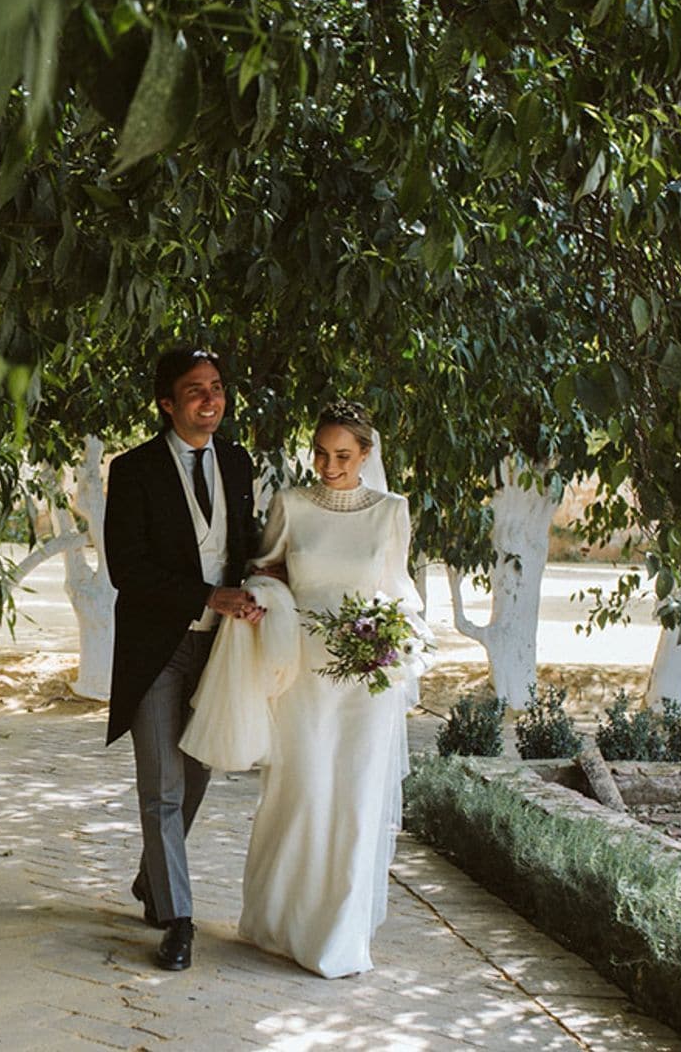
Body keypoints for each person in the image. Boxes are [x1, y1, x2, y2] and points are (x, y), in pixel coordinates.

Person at [232, 400, 427, 978]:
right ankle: (279, 922)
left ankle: (338, 936)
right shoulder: (290, 504)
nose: (329, 464)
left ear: (367, 455)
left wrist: (396, 640)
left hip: (367, 680)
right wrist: (262, 601)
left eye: (343, 454)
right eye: (320, 452)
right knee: (304, 791)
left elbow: (398, 590)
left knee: (356, 800)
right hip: (305, 673)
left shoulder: (392, 511)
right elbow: (263, 570)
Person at [102, 346, 261, 972]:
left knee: (197, 777)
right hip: (157, 649)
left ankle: (153, 878)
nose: (210, 399)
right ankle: (178, 920)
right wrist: (205, 596)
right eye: (194, 389)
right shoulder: (135, 469)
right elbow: (128, 569)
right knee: (162, 786)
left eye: (217, 387)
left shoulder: (240, 462)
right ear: (167, 403)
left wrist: (262, 584)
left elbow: (244, 546)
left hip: (220, 652)